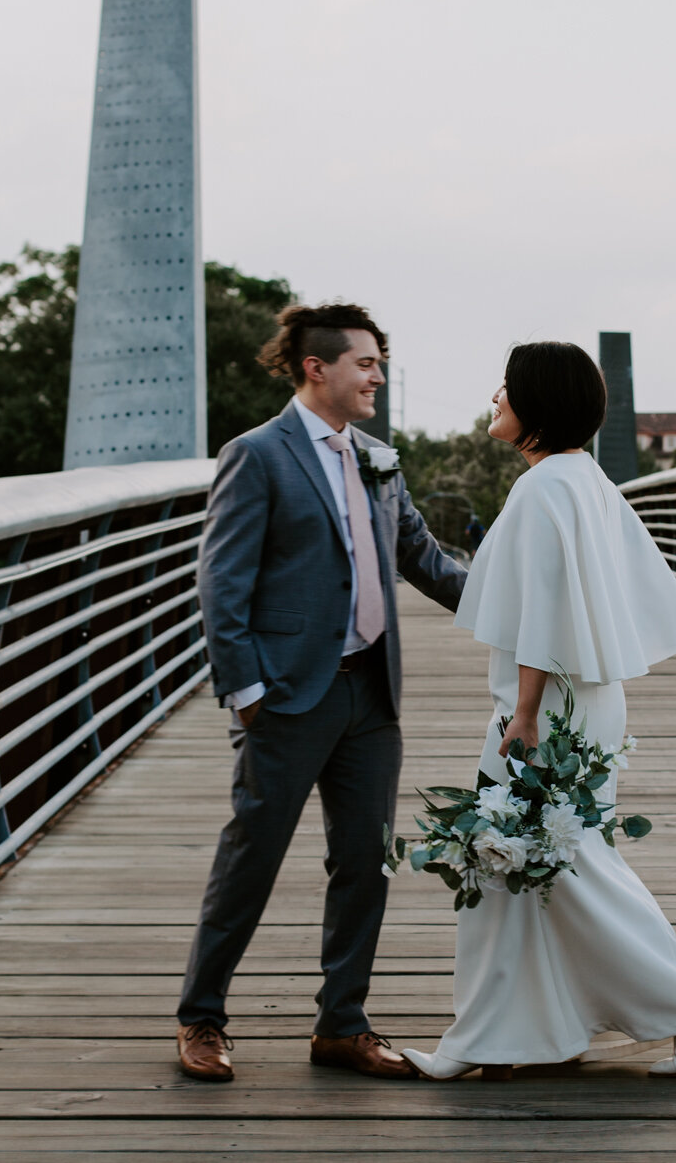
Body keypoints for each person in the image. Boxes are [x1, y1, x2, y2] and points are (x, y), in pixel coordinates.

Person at [401, 341, 676, 1081]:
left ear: (538, 404)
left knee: (523, 864)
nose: (496, 394)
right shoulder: (586, 479)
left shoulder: (540, 490)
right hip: (589, 703)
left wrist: (521, 715)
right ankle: (537, 1032)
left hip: (543, 708)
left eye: (510, 385)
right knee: (553, 864)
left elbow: (545, 611)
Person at [176, 302, 467, 1083]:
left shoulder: (379, 457)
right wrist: (245, 693)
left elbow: (426, 560)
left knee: (364, 861)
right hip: (286, 696)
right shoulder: (258, 455)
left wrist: (518, 604)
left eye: (379, 363)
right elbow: (221, 583)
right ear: (318, 367)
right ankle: (201, 1016)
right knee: (252, 859)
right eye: (366, 363)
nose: (378, 375)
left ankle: (343, 1023)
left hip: (372, 693)